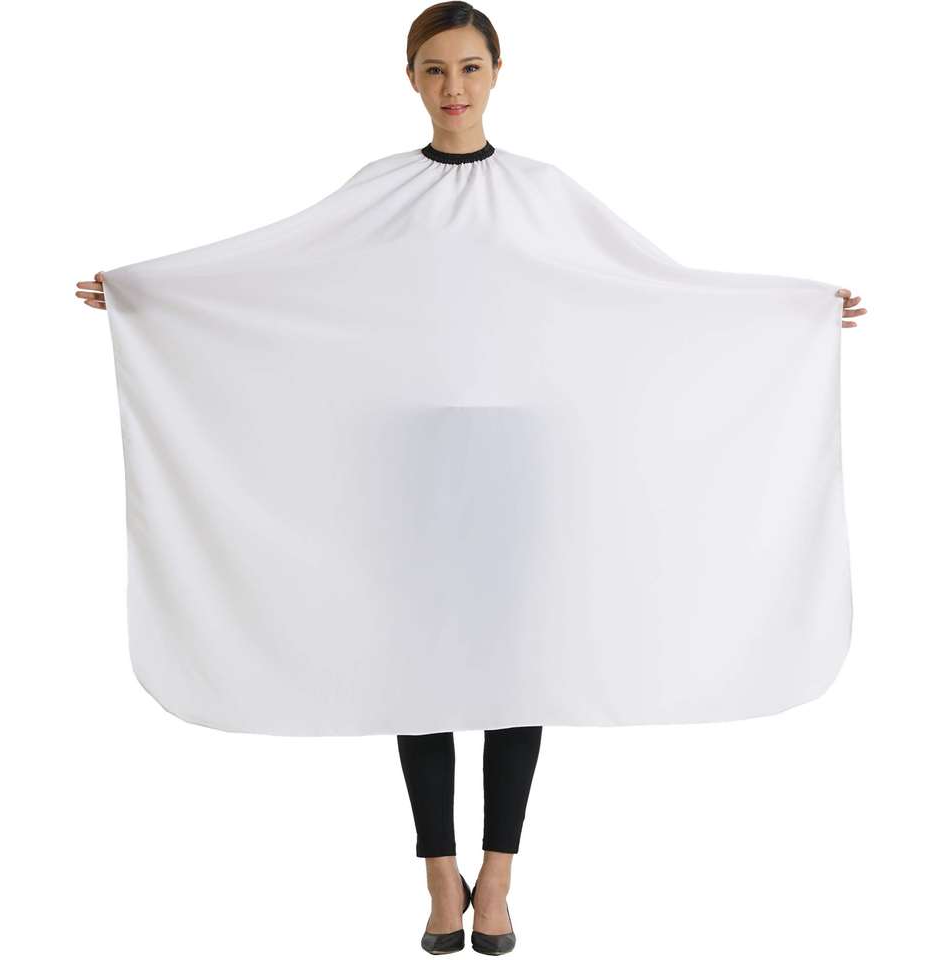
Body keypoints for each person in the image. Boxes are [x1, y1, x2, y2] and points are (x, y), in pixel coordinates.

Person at [75, 3, 867, 955]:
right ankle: (436, 874)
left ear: (497, 72)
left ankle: (497, 878)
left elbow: (651, 290)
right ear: (411, 78)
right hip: (409, 463)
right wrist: (151, 295)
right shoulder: (380, 191)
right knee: (418, 670)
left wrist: (790, 313)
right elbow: (280, 268)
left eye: (470, 67)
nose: (454, 87)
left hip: (522, 464)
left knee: (516, 667)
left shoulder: (543, 193)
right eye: (435, 69)